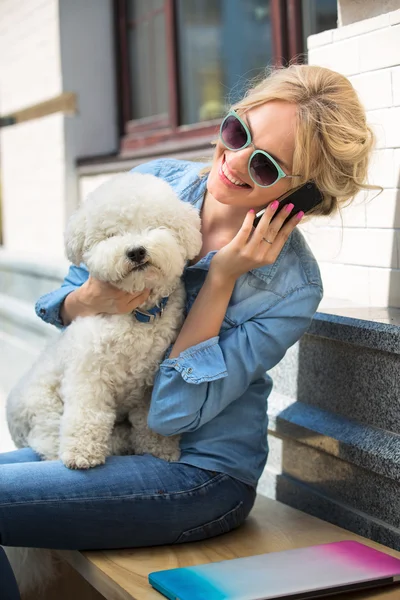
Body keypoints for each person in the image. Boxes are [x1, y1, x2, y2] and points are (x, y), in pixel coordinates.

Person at [0, 64, 375, 565]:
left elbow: (170, 414)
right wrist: (92, 300)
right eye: (237, 132)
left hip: (199, 477)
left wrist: (219, 281)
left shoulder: (291, 289)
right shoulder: (155, 183)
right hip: (117, 443)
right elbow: (62, 302)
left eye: (264, 165)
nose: (235, 161)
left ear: (301, 194)